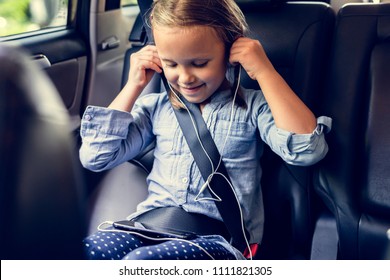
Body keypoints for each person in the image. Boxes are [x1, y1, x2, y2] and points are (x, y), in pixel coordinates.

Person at [79, 0, 331, 260]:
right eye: (171, 64)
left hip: (217, 241)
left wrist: (265, 71)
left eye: (199, 63)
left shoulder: (252, 107)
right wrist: (134, 85)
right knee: (85, 252)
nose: (185, 77)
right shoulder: (154, 107)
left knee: (141, 264)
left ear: (231, 52)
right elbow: (96, 156)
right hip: (147, 228)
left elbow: (307, 150)